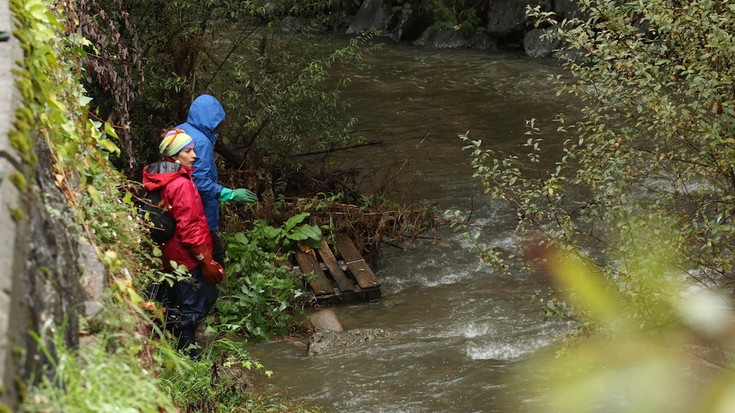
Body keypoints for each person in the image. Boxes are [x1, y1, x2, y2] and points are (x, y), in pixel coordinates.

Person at [142, 128, 225, 356]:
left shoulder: (159, 179)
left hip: (170, 257)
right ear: (174, 156)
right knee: (190, 309)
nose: (194, 155)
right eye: (187, 151)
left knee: (177, 305)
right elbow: (189, 227)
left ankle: (175, 354)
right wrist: (205, 259)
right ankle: (191, 361)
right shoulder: (180, 184)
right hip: (186, 258)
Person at [176, 94, 257, 266]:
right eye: (216, 120)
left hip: (179, 209)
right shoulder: (201, 142)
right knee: (213, 258)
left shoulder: (180, 130)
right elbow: (200, 182)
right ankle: (215, 289)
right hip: (198, 213)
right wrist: (230, 194)